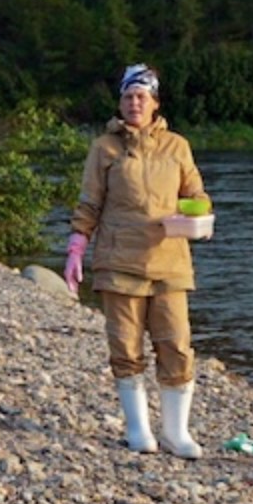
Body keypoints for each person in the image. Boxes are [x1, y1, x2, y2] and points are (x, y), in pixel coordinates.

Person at [63, 63, 211, 457]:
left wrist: (198, 215)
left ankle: (176, 433)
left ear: (155, 102)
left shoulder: (177, 146)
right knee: (126, 349)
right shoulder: (104, 148)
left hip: (170, 263)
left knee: (176, 346)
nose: (134, 103)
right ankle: (138, 431)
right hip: (118, 262)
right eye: (128, 96)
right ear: (120, 102)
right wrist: (77, 247)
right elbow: (89, 202)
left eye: (141, 96)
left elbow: (196, 192)